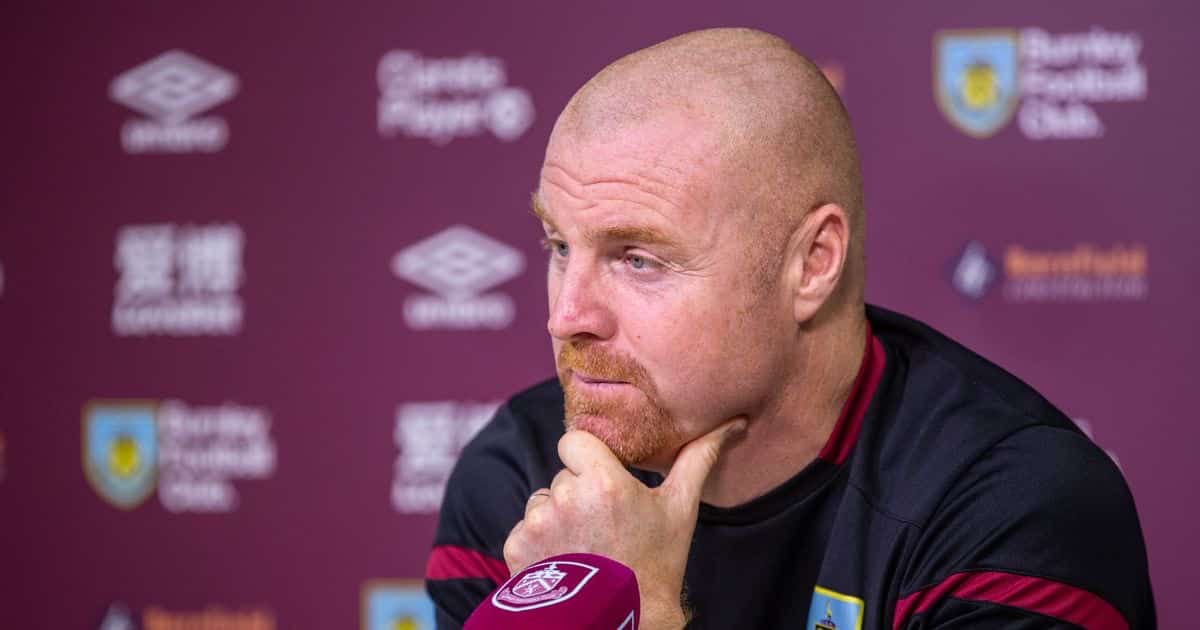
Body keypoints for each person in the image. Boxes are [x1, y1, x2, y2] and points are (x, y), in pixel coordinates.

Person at [425, 27, 1155, 629]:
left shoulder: (1012, 503)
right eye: (559, 246)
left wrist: (630, 608)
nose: (566, 316)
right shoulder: (518, 479)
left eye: (639, 259)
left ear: (812, 264)